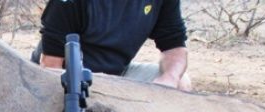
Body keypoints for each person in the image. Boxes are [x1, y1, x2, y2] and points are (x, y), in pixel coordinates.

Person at [33, 0, 192, 91]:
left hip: (118, 75)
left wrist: (168, 79)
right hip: (68, 75)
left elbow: (174, 46)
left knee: (180, 81)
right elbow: (50, 66)